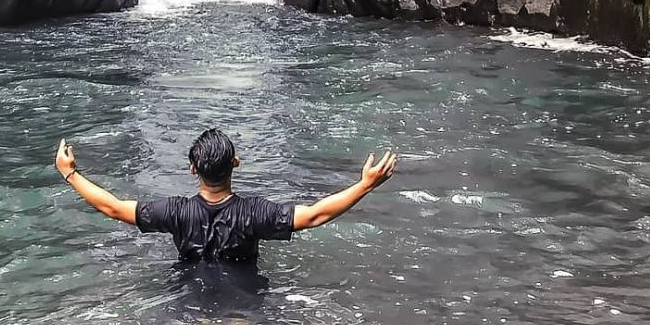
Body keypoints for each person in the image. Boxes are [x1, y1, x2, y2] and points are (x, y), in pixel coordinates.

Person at [54, 127, 397, 264]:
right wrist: (364, 185)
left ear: (193, 169)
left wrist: (69, 173)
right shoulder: (255, 213)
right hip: (244, 308)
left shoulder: (174, 212)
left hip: (185, 304)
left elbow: (112, 207)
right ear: (236, 164)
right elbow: (315, 215)